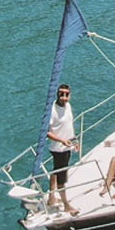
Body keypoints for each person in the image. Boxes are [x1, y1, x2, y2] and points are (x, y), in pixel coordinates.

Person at [47, 83, 79, 214]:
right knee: (61, 178)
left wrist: (75, 141)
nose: (64, 97)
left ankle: (51, 198)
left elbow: (69, 125)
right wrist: (62, 141)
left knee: (56, 170)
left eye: (66, 94)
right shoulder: (52, 111)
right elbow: (47, 132)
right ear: (57, 94)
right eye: (61, 94)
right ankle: (66, 205)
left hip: (67, 146)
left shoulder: (68, 106)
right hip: (59, 148)